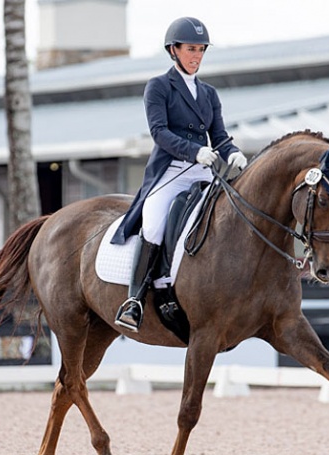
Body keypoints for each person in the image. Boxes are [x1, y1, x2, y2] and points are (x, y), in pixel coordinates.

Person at [112, 16, 247, 332]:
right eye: (190, 49)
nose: (196, 56)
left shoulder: (209, 94)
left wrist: (234, 153)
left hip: (203, 173)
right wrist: (192, 150)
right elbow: (158, 132)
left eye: (201, 50)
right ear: (173, 50)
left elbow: (219, 134)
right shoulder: (159, 86)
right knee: (156, 223)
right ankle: (134, 299)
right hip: (170, 172)